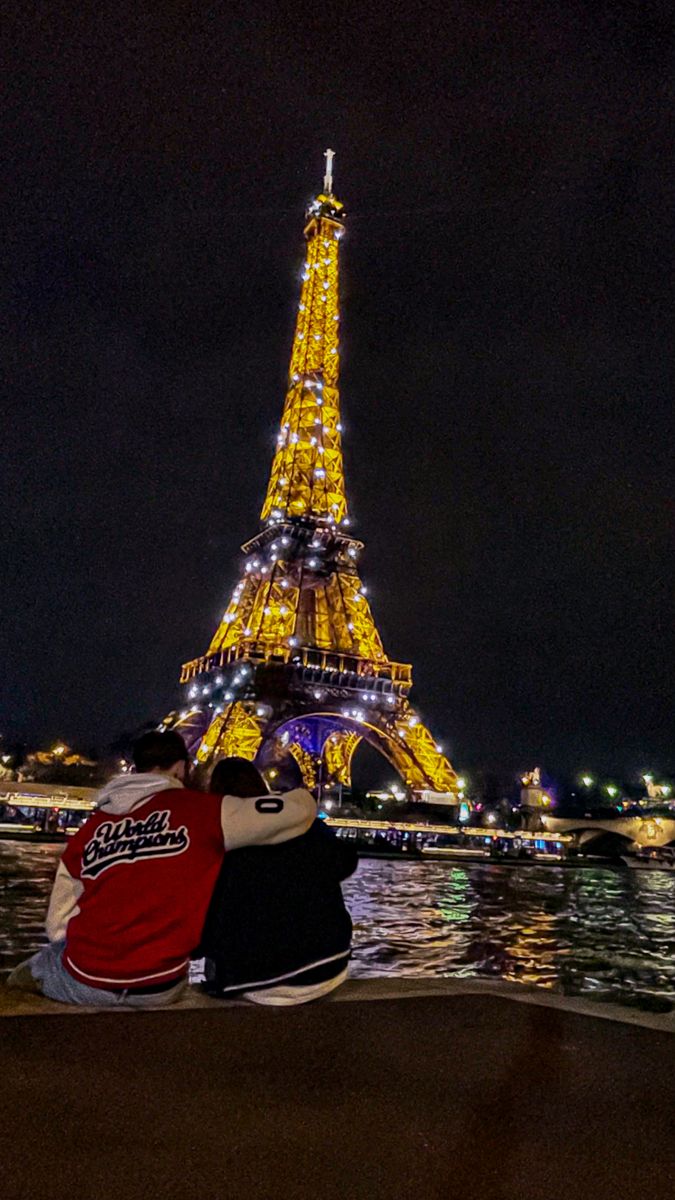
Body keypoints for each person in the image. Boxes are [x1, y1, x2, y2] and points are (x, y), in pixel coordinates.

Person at [8, 731, 315, 1007]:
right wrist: (304, 794)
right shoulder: (207, 812)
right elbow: (297, 811)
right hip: (160, 986)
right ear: (180, 768)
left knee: (34, 967)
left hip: (86, 981)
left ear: (137, 767)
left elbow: (58, 923)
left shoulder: (90, 830)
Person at [199, 757, 358, 1006]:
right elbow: (346, 861)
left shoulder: (218, 841)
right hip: (328, 967)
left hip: (252, 981)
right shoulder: (305, 824)